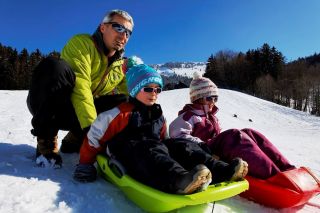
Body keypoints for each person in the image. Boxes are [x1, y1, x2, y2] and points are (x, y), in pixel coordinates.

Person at [73, 64, 248, 195]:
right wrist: (85, 164)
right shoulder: (119, 113)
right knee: (148, 148)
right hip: (127, 152)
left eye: (158, 89)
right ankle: (179, 180)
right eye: (148, 88)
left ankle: (222, 171)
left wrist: (175, 148)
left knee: (180, 144)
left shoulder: (158, 114)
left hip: (152, 149)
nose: (154, 93)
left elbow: (164, 139)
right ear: (134, 90)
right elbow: (94, 137)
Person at [27, 10, 136, 168]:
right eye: (118, 28)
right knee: (54, 67)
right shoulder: (82, 44)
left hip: (79, 117)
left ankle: (75, 139)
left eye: (128, 32)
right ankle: (46, 141)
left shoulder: (120, 66)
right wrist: (92, 132)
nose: (123, 35)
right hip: (53, 106)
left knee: (124, 102)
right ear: (103, 27)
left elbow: (129, 99)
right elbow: (81, 86)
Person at [169, 72, 295, 179]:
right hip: (202, 151)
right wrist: (201, 144)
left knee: (249, 132)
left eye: (215, 98)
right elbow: (177, 136)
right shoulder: (188, 116)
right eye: (209, 98)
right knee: (233, 135)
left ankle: (286, 169)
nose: (213, 102)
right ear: (197, 98)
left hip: (214, 150)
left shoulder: (212, 117)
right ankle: (273, 174)